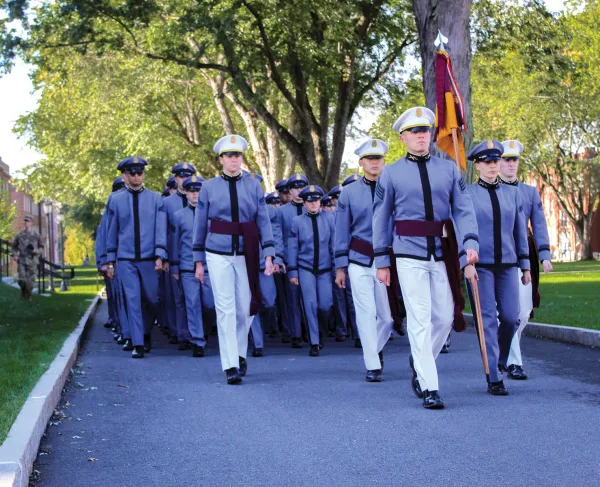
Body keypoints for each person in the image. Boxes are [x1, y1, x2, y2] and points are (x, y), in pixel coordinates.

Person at [372, 106, 479, 410]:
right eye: (414, 132)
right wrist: (381, 259)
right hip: (408, 251)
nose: (421, 136)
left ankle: (420, 360)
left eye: (425, 131)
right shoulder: (391, 173)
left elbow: (463, 208)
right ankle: (429, 387)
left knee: (444, 317)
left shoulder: (449, 170)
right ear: (403, 138)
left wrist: (470, 240)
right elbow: (380, 217)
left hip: (442, 251)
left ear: (431, 136)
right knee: (419, 318)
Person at [193, 135, 275, 384]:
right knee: (226, 309)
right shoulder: (208, 187)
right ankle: (230, 365)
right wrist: (198, 259)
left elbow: (263, 219)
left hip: (247, 252)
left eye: (237, 155)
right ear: (221, 159)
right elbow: (200, 223)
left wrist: (269, 252)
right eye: (229, 156)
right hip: (217, 252)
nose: (234, 160)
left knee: (246, 308)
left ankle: (240, 353)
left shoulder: (253, 185)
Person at [466, 140, 530, 395]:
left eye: (496, 161)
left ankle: (501, 359)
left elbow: (520, 232)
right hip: (480, 266)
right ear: (477, 166)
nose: (493, 166)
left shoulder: (513, 194)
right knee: (488, 321)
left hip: (508, 264)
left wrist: (525, 265)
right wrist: (465, 263)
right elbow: (464, 231)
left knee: (512, 317)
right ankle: (493, 375)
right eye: (487, 162)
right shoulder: (468, 194)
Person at [335, 139, 395, 382]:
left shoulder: (393, 187)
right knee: (365, 312)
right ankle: (372, 363)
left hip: (384, 261)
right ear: (361, 163)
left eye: (378, 158)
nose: (374, 163)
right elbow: (341, 231)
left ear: (383, 162)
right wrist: (340, 266)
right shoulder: (348, 192)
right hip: (358, 258)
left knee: (387, 318)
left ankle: (375, 348)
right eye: (369, 159)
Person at [499, 139, 552, 380]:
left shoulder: (529, 192)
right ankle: (513, 362)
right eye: (506, 159)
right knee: (509, 311)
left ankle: (507, 350)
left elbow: (539, 224)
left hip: (526, 253)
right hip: (499, 252)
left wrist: (544, 255)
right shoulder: (491, 189)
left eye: (514, 159)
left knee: (524, 311)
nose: (511, 164)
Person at [106, 156, 167, 358]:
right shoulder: (115, 200)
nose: (136, 177)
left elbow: (161, 229)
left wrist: (160, 255)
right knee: (132, 299)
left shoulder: (156, 199)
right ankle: (138, 343)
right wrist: (110, 260)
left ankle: (146, 331)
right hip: (126, 259)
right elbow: (111, 231)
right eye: (132, 173)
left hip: (149, 258)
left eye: (139, 173)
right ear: (124, 176)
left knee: (152, 299)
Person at [287, 185, 334, 357]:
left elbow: (334, 245)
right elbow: (292, 248)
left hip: (325, 269)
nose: (313, 204)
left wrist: (338, 269)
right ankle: (314, 342)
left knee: (325, 305)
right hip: (305, 268)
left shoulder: (329, 219)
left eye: (316, 201)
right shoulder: (297, 222)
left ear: (320, 202)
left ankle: (320, 330)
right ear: (304, 203)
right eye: (309, 201)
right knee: (310, 304)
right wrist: (293, 272)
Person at [171, 175, 207, 357]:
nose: (195, 194)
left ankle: (211, 334)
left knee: (210, 304)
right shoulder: (178, 217)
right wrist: (175, 267)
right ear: (185, 193)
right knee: (192, 303)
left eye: (198, 190)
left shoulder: (211, 214)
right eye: (192, 191)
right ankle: (198, 341)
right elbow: (175, 243)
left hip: (210, 267)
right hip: (187, 267)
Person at [165, 162, 197, 350]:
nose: (184, 179)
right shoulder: (167, 203)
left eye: (188, 176)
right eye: (180, 176)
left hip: (198, 257)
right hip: (176, 256)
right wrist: (165, 257)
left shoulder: (202, 199)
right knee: (179, 298)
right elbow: (164, 231)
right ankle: (183, 334)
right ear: (175, 179)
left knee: (199, 299)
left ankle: (198, 333)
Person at [279, 174, 309, 347]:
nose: (299, 191)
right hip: (290, 260)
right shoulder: (282, 211)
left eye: (301, 187)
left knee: (310, 297)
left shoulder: (312, 208)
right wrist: (281, 258)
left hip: (309, 259)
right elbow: (279, 237)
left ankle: (311, 331)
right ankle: (295, 333)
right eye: (295, 188)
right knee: (292, 298)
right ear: (289, 191)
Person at [11, 215, 43, 300]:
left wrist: (37, 250)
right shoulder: (19, 235)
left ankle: (28, 296)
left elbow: (41, 247)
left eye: (28, 221)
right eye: (25, 221)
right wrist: (15, 255)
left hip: (33, 260)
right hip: (22, 260)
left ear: (31, 223)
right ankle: (23, 292)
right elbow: (14, 246)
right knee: (22, 280)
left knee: (30, 282)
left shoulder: (36, 235)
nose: (26, 223)